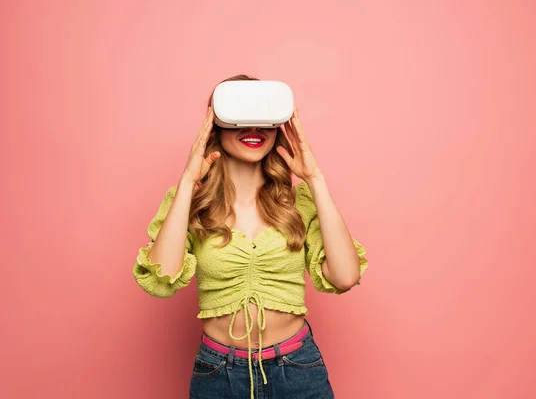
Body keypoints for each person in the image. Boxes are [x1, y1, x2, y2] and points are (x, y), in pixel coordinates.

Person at [132, 74, 368, 399]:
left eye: (263, 120)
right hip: (219, 374)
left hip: (297, 368)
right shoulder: (189, 204)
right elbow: (163, 278)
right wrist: (188, 181)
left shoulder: (298, 203)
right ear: (215, 126)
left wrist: (314, 178)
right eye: (239, 119)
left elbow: (345, 276)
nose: (253, 130)